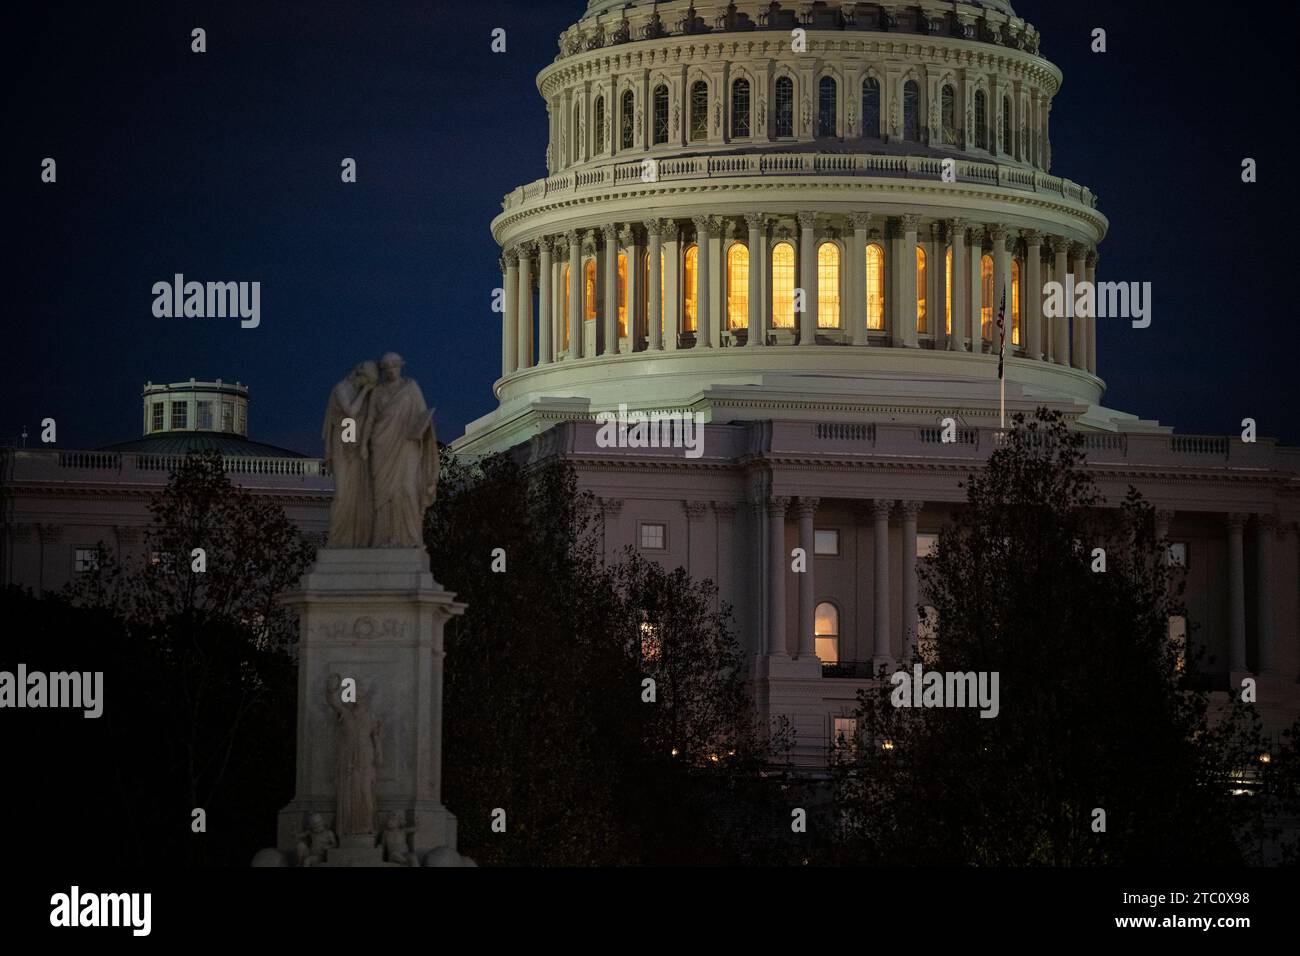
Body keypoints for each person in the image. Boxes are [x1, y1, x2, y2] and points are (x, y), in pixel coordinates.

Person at [362, 352, 438, 547]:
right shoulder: (378, 392)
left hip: (407, 445)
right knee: (382, 495)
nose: (391, 370)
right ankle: (383, 539)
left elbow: (423, 416)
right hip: (382, 445)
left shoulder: (411, 388)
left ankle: (409, 538)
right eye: (387, 367)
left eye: (395, 365)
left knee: (407, 489)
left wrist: (425, 428)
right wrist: (362, 444)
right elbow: (370, 419)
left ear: (401, 366)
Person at [322, 361, 378, 547]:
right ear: (360, 374)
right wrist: (365, 391)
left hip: (354, 447)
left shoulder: (361, 394)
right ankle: (338, 538)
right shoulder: (342, 388)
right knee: (342, 493)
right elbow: (351, 411)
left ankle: (354, 539)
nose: (366, 385)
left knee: (357, 495)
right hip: (342, 445)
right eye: (366, 381)